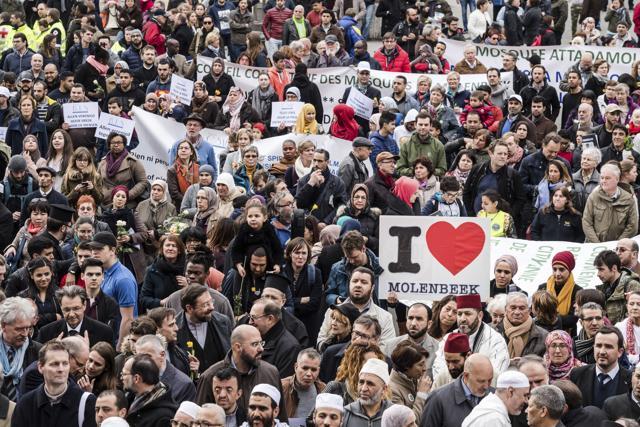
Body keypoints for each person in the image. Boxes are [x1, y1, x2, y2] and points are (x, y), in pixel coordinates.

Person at [12, 340, 97, 427]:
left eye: (65, 363)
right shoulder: (25, 404)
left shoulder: (87, 402)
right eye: (55, 364)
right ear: (41, 367)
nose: (61, 369)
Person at [432, 294, 510, 380]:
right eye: (459, 314)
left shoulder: (496, 341)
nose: (462, 319)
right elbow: (438, 372)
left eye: (467, 314)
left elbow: (496, 375)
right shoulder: (448, 339)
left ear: (480, 316)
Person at [88, 231, 137, 351]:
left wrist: (119, 348)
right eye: (93, 248)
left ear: (112, 250)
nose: (94, 252)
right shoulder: (102, 272)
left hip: (115, 343)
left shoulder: (123, 279)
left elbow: (128, 319)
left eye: (99, 248)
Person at [419, 354, 494, 427]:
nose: (486, 386)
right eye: (481, 381)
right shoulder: (438, 399)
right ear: (466, 376)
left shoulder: (495, 397)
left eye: (490, 380)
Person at [569, 326, 632, 408]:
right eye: (598, 346)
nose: (602, 352)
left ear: (620, 352)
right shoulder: (577, 374)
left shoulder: (630, 380)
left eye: (608, 347)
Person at [177, 285, 231, 374]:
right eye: (206, 304)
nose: (212, 307)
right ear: (189, 308)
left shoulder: (223, 322)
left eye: (211, 302)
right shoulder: (175, 329)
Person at [36, 285, 113, 346]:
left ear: (84, 305)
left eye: (76, 308)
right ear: (60, 307)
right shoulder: (45, 333)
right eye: (66, 310)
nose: (72, 314)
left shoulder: (104, 332)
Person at [0, 297, 41, 401]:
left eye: (27, 328)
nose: (25, 334)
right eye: (18, 329)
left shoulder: (39, 351)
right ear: (3, 325)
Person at [135, 334, 196, 404]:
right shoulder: (135, 377)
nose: (140, 361)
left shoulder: (184, 385)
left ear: (162, 355)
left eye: (146, 357)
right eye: (138, 357)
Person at [248, 298, 300, 377]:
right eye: (249, 317)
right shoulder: (252, 337)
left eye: (253, 318)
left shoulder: (290, 348)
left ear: (270, 319)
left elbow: (281, 383)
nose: (249, 322)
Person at [122, 354, 178, 426]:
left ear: (136, 378)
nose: (122, 378)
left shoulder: (164, 417)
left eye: (124, 374)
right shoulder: (130, 398)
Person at [461, 370, 530, 427]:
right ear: (510, 392)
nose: (527, 401)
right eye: (525, 395)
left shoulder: (492, 411)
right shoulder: (494, 419)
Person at [342, 358, 393, 427]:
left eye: (370, 384)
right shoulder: (346, 414)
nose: (363, 389)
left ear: (384, 389)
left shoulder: (394, 414)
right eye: (361, 382)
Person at [388, 340, 431, 421]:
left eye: (425, 363)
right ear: (406, 366)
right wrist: (422, 395)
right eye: (421, 364)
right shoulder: (392, 391)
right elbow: (409, 423)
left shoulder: (415, 379)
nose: (425, 368)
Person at [595, 250, 640, 324]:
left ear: (614, 268)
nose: (598, 274)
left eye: (601, 269)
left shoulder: (632, 285)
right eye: (598, 270)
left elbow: (635, 315)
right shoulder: (603, 289)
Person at [497, 292, 548, 358]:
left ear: (529, 311)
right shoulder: (493, 332)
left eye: (522, 308)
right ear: (505, 310)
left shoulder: (543, 336)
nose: (517, 312)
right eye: (513, 308)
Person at [396, 112, 446, 177]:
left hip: (431, 183)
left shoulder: (438, 145)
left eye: (426, 125)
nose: (423, 127)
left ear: (430, 125)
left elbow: (442, 169)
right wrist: (415, 171)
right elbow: (400, 169)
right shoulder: (406, 145)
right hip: (411, 182)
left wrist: (428, 171)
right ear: (415, 125)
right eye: (420, 124)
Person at [280, 348, 325, 421]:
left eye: (313, 370)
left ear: (318, 370)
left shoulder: (323, 390)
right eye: (305, 368)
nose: (309, 374)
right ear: (296, 367)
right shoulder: (281, 387)